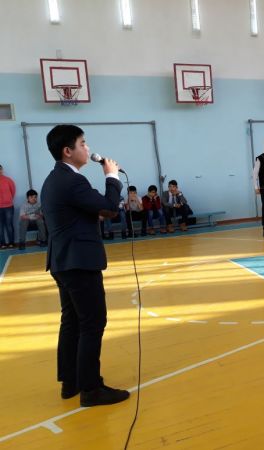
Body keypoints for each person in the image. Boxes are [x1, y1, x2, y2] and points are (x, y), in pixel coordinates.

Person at [41, 124, 130, 407]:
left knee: (72, 322)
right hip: (79, 262)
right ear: (68, 151)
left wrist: (96, 214)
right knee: (92, 323)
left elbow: (79, 214)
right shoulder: (73, 181)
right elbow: (110, 207)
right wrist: (112, 176)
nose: (88, 148)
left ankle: (71, 382)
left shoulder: (54, 179)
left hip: (62, 261)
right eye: (83, 143)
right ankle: (91, 389)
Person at [0, 164, 16, 249]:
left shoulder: (8, 180)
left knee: (9, 225)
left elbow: (13, 191)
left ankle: (11, 242)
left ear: (2, 170)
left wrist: (8, 200)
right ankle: (2, 243)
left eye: (0, 169)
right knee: (0, 226)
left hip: (8, 206)